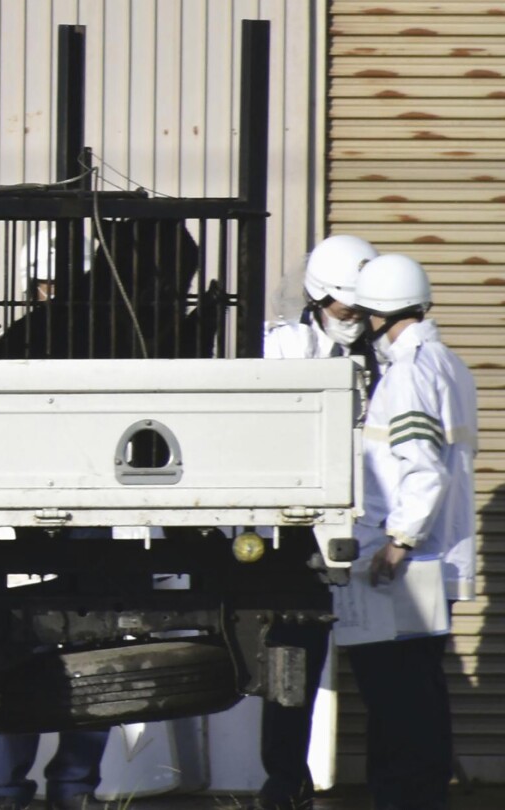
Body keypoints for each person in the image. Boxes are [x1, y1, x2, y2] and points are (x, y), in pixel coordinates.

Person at [253, 234, 378, 810]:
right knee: (292, 667)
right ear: (320, 297)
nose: (352, 321)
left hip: (372, 531)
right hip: (300, 533)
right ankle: (285, 783)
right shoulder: (289, 345)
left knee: (384, 669)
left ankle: (393, 784)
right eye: (344, 310)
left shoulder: (388, 351)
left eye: (361, 310)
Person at [348, 253, 476, 810]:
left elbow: (423, 468)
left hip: (406, 562)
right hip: (433, 560)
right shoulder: (449, 363)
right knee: (421, 695)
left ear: (378, 313)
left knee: (396, 702)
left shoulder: (408, 375)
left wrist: (397, 543)